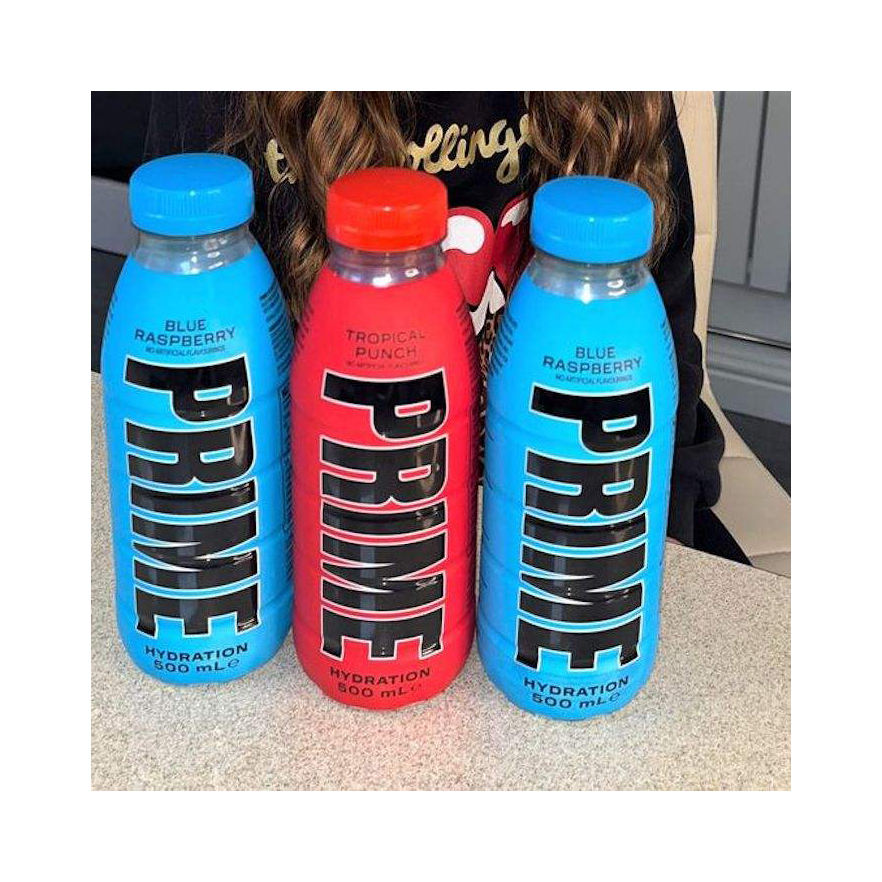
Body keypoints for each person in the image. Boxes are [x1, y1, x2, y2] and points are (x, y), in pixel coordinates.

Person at [144, 91, 747, 564]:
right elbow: (185, 362)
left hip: (575, 536)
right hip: (341, 548)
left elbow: (666, 347)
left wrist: (663, 543)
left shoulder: (619, 90)